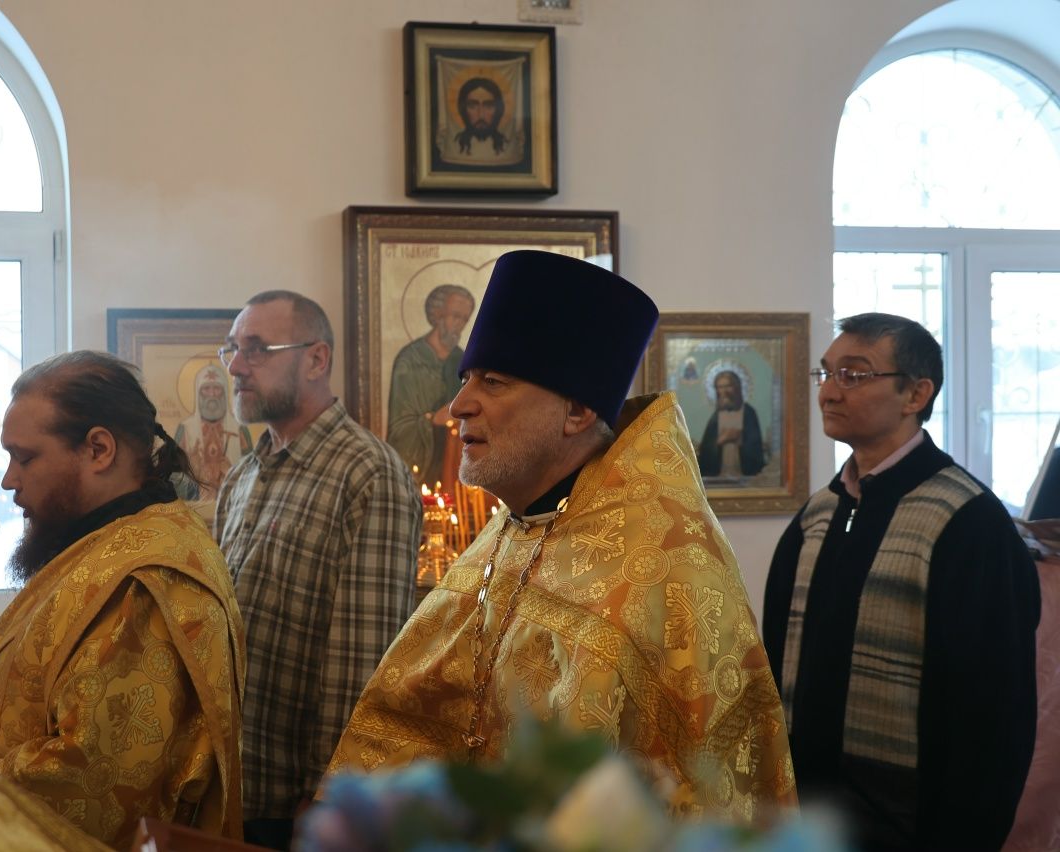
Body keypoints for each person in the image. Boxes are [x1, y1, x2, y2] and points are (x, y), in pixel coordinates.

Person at [327, 251, 796, 822]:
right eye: (465, 380)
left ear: (575, 411)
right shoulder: (512, 526)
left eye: (493, 382)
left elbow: (702, 795)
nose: (459, 406)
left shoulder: (664, 566)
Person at [0, 350, 247, 849]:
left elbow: (89, 783)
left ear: (99, 449)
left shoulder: (146, 582)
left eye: (25, 458)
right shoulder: (110, 542)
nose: (8, 480)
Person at [763, 313, 1040, 851]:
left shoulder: (967, 520)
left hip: (914, 827)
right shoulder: (817, 515)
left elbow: (995, 714)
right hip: (808, 821)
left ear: (916, 393)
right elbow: (774, 666)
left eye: (854, 374)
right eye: (827, 373)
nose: (829, 392)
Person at [214, 291, 422, 850]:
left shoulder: (368, 473)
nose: (236, 367)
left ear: (316, 359)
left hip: (295, 808)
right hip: (232, 788)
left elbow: (361, 659)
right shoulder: (242, 476)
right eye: (233, 349)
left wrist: (327, 799)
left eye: (257, 349)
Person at [386, 284, 475, 486]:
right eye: (455, 316)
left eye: (464, 319)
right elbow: (399, 430)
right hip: (420, 473)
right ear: (437, 314)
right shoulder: (409, 360)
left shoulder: (462, 360)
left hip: (453, 467)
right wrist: (433, 419)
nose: (459, 325)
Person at [174, 361, 253, 502]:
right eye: (206, 388)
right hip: (195, 508)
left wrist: (231, 473)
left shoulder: (240, 429)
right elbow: (174, 477)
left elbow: (252, 474)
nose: (212, 395)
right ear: (198, 393)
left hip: (233, 505)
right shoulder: (185, 430)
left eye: (217, 388)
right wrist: (193, 474)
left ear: (225, 392)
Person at [697, 369, 765, 477]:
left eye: (728, 386)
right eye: (720, 387)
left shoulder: (748, 413)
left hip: (743, 475)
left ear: (737, 388)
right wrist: (721, 440)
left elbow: (755, 448)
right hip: (719, 475)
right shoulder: (715, 417)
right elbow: (706, 452)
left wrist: (740, 438)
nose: (724, 391)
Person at [455, 77, 507, 156]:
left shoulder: (507, 146)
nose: (481, 115)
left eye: (489, 105)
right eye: (472, 106)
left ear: (498, 110)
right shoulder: (454, 145)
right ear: (463, 109)